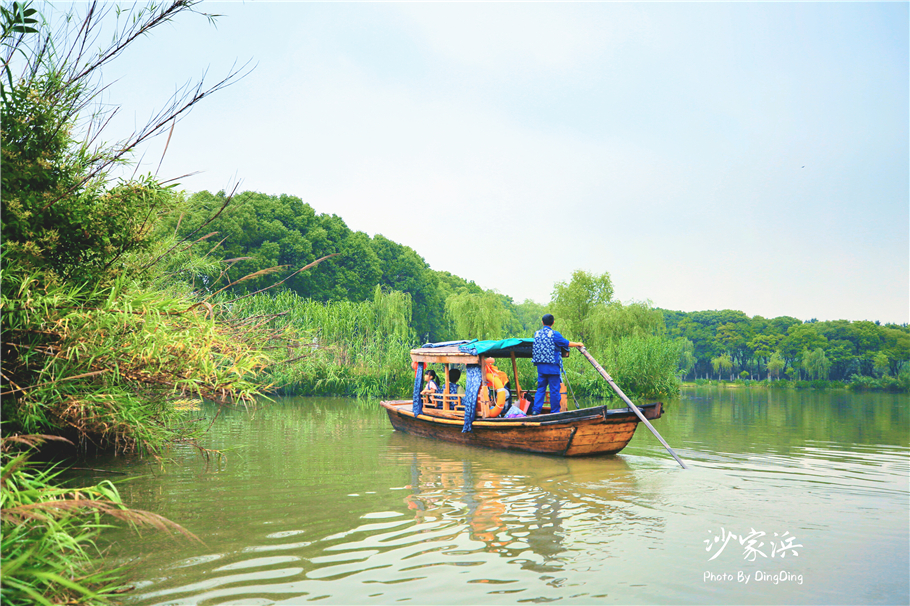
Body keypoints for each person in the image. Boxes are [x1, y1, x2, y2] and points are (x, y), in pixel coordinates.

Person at [531, 314, 582, 414]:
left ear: (542, 322)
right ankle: (554, 412)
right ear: (553, 323)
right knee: (554, 390)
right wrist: (578, 344)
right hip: (553, 367)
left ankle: (536, 410)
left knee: (540, 389)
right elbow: (566, 343)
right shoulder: (554, 334)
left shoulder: (536, 334)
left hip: (540, 367)